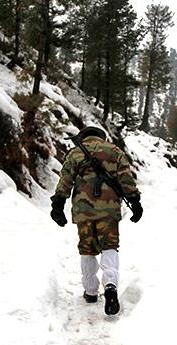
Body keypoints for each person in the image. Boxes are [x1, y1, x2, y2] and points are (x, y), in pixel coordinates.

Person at [50, 126, 143, 316]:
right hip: (108, 210)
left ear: (84, 137)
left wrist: (58, 204)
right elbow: (126, 179)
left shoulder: (76, 153)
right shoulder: (114, 151)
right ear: (102, 137)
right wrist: (135, 202)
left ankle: (91, 292)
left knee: (87, 249)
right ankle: (110, 286)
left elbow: (65, 180)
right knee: (110, 246)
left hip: (83, 210)